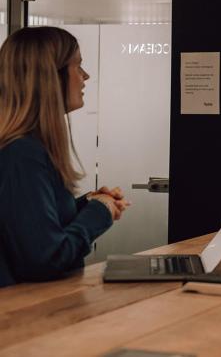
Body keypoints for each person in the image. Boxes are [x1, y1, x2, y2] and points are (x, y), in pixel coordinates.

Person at [0, 26, 129, 288]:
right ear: (51, 77)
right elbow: (45, 259)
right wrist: (99, 213)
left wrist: (86, 204)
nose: (86, 76)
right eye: (78, 66)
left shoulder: (24, 149)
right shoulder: (23, 154)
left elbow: (28, 224)